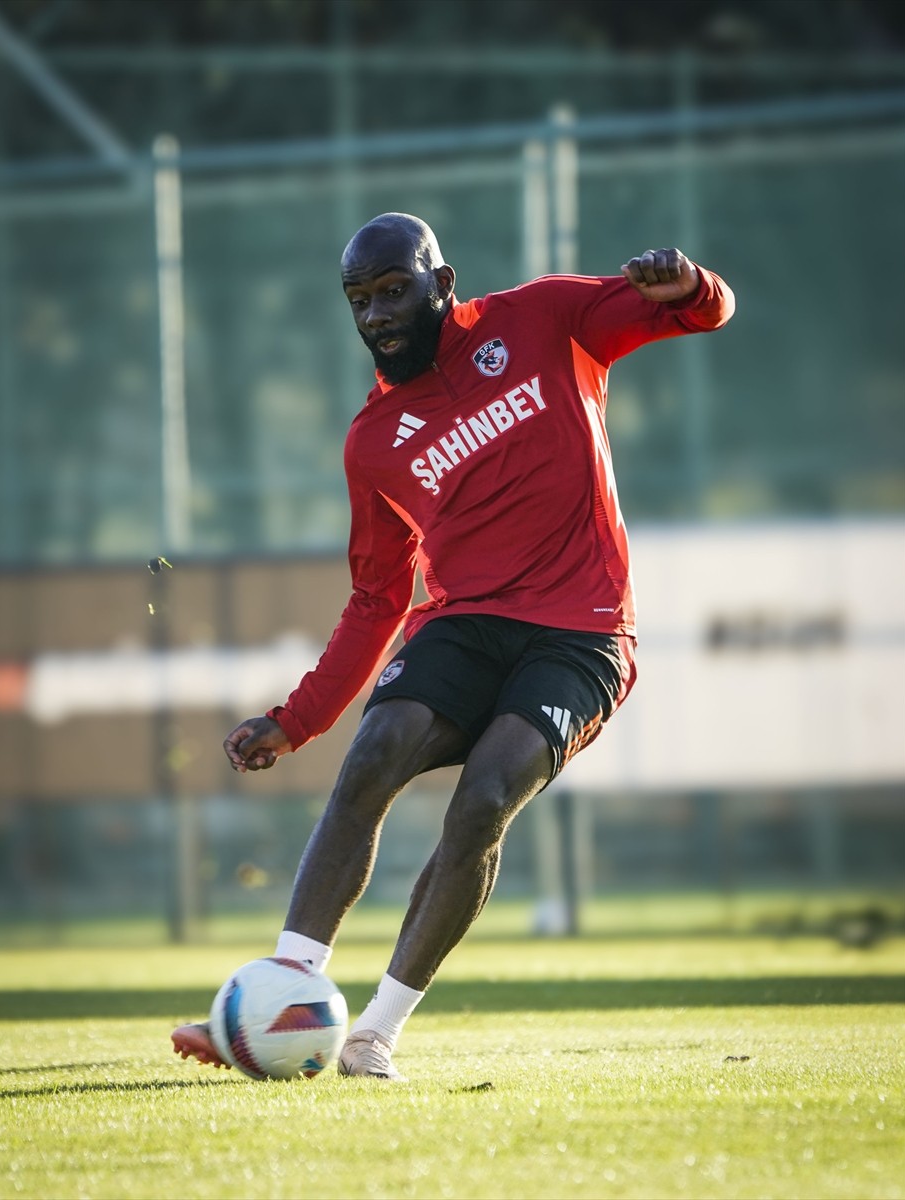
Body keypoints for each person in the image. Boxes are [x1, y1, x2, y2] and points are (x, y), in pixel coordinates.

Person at [172, 212, 735, 1080]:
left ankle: (373, 1036)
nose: (377, 314)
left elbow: (702, 312)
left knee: (485, 798)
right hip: (464, 621)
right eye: (360, 300)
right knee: (375, 753)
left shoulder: (542, 319)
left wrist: (691, 282)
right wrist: (297, 720)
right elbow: (377, 597)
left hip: (582, 631)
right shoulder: (373, 441)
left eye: (394, 290)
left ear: (443, 282)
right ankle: (278, 995)